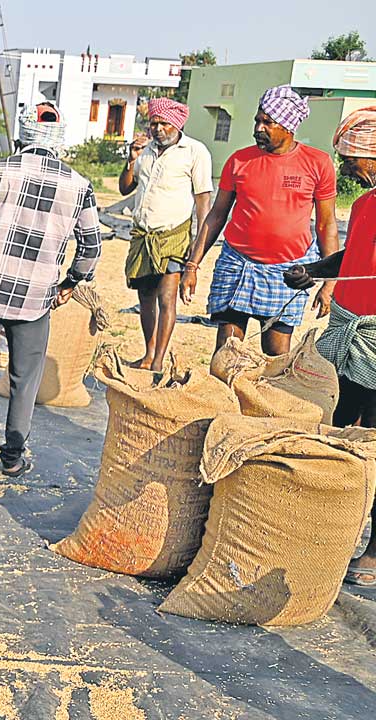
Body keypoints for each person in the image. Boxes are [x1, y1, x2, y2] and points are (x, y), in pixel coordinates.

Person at [0, 104, 102, 480]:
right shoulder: (79, 186)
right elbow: (91, 248)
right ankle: (12, 456)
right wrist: (70, 283)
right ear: (59, 142)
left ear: (21, 136)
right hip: (36, 297)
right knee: (25, 377)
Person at [283, 105, 376, 587]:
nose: (345, 168)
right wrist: (314, 273)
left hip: (375, 337)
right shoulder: (364, 206)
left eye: (351, 159)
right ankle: (330, 530)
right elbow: (354, 254)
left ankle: (374, 550)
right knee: (339, 426)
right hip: (348, 329)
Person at [181, 85, 340, 355]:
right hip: (237, 264)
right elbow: (216, 216)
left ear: (288, 126)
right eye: (257, 120)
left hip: (288, 272)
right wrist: (192, 265)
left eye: (267, 122)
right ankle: (225, 398)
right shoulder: (239, 161)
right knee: (227, 352)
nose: (258, 128)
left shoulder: (318, 163)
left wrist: (330, 282)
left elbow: (327, 225)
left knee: (276, 354)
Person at [118, 97, 213, 371]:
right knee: (145, 297)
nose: (158, 129)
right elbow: (125, 188)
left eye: (164, 124)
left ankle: (159, 360)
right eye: (154, 124)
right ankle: (148, 354)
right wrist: (131, 159)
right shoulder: (145, 152)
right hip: (143, 235)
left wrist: (197, 246)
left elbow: (203, 202)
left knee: (166, 297)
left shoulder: (195, 152)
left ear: (178, 124)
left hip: (174, 235)